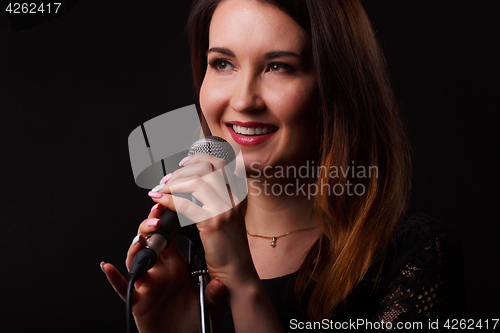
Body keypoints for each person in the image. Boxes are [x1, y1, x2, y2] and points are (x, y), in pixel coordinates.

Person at [102, 0, 466, 331]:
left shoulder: (413, 256)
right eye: (223, 63)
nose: (243, 100)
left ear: (334, 86)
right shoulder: (180, 252)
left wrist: (242, 284)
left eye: (278, 67)